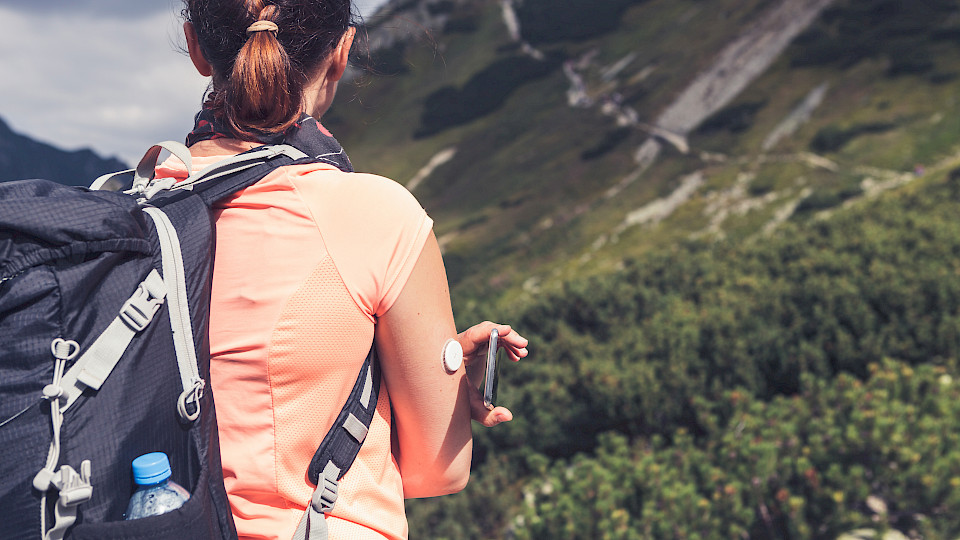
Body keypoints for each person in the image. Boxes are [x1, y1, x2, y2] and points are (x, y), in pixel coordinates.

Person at [163, 1, 529, 539]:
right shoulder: (377, 215)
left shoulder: (129, 215)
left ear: (196, 47)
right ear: (341, 53)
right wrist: (441, 386)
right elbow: (439, 471)